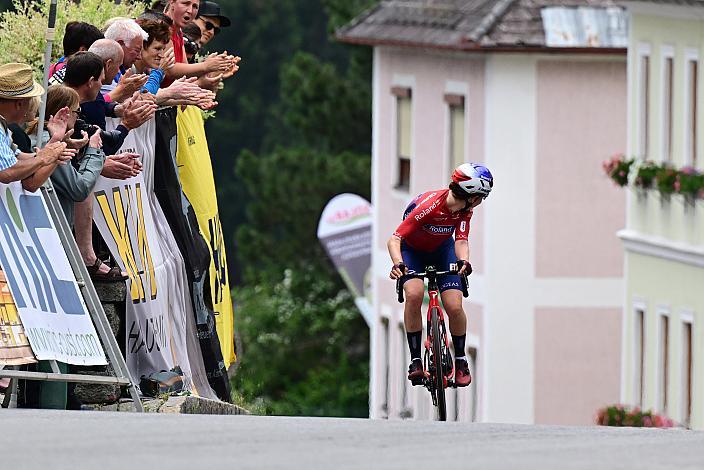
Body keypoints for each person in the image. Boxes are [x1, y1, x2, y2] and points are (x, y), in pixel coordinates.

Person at [387, 163, 493, 388]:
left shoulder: (465, 210)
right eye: (481, 197)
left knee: (454, 306)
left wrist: (464, 261)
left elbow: (462, 240)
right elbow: (394, 239)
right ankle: (416, 360)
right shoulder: (429, 207)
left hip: (443, 251)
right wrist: (398, 264)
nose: (480, 202)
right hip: (412, 251)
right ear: (470, 195)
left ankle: (461, 359)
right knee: (414, 294)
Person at [0, 63, 74, 189]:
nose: (30, 107)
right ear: (19, 104)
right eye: (30, 101)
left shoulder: (4, 128)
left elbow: (18, 157)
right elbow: (7, 172)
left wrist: (54, 149)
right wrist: (42, 158)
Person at [134, 18, 175, 94]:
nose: (161, 55)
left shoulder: (143, 72)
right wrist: (159, 71)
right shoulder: (126, 70)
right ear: (141, 46)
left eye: (163, 49)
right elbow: (144, 96)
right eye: (157, 48)